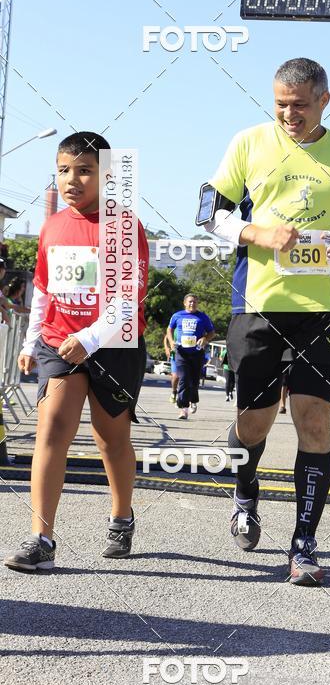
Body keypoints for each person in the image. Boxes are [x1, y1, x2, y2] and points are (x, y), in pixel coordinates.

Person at [202, 57, 330, 585]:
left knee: (314, 422)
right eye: (281, 104)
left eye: (300, 105)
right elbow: (209, 212)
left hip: (322, 311)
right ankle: (245, 492)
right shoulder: (248, 143)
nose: (289, 114)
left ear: (324, 101)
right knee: (255, 422)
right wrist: (255, 233)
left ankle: (303, 545)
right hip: (258, 305)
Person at [3, 132, 149, 572]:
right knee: (53, 428)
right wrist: (31, 343)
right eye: (64, 170)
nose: (72, 179)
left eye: (84, 170)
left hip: (114, 344)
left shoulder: (124, 226)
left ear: (107, 175)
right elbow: (44, 290)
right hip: (58, 342)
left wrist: (90, 338)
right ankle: (41, 538)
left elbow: (130, 296)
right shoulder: (52, 226)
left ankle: (121, 517)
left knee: (110, 439)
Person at [166, 294, 215, 420]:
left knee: (194, 381)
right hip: (181, 352)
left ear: (197, 303)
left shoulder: (203, 317)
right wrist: (171, 343)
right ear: (184, 303)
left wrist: (205, 338)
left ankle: (193, 400)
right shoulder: (177, 315)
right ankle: (183, 409)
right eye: (190, 302)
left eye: (194, 302)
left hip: (197, 353)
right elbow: (169, 330)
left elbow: (211, 332)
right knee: (184, 379)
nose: (192, 304)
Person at [163, 326, 179, 404]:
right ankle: (174, 392)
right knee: (175, 376)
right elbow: (166, 337)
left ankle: (184, 396)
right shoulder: (175, 324)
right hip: (174, 353)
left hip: (188, 354)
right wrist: (166, 348)